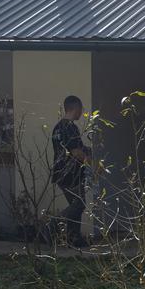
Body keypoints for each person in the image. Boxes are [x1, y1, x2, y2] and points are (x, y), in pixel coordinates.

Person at [51, 95, 92, 248]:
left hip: (60, 173)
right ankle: (53, 223)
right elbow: (75, 152)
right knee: (79, 205)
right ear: (75, 108)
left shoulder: (57, 127)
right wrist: (92, 165)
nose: (81, 113)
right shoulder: (70, 127)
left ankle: (73, 239)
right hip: (71, 173)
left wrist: (86, 150)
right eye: (80, 109)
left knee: (75, 207)